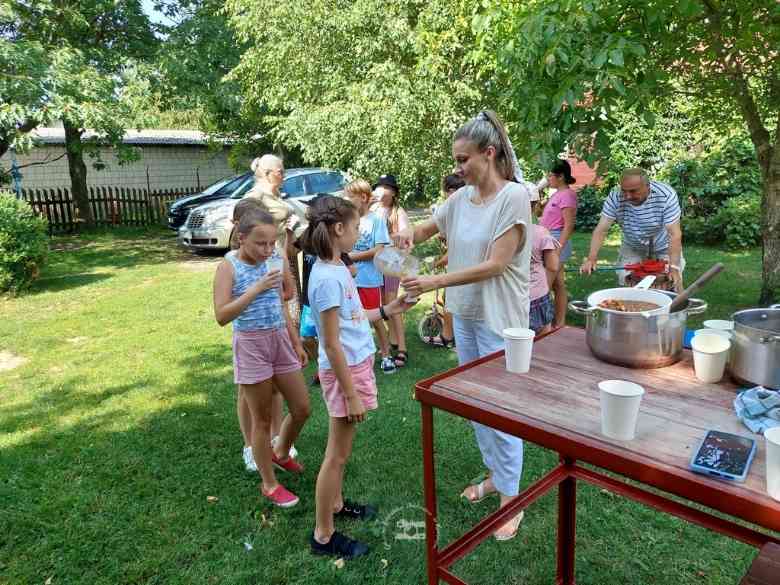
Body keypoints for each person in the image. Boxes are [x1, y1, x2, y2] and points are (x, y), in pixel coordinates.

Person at [396, 110, 532, 541]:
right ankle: (498, 476)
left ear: (488, 154)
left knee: (501, 409)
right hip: (467, 316)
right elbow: (422, 231)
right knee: (477, 406)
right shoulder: (459, 200)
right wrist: (405, 235)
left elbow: (495, 264)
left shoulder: (513, 197)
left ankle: (512, 499)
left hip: (499, 319)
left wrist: (433, 279)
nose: (457, 168)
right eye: (455, 161)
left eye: (462, 160)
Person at [302, 195, 416, 559]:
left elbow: (352, 319)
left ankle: (335, 504)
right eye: (354, 228)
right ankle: (323, 535)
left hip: (353, 366)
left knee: (342, 453)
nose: (357, 234)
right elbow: (332, 345)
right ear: (338, 230)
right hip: (344, 372)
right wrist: (350, 395)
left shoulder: (337, 268)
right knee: (336, 456)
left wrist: (388, 308)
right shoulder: (327, 279)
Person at [213, 209, 311, 508]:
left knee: (302, 408)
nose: (268, 250)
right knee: (263, 419)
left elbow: (281, 306)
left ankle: (280, 452)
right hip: (251, 344)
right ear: (241, 238)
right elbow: (221, 315)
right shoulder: (228, 266)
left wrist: (296, 342)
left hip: (279, 340)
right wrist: (255, 289)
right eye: (260, 243)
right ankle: (269, 484)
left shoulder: (272, 261)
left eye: (271, 243)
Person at [230, 199, 299, 472]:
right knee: (247, 393)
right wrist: (257, 293)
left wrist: (275, 295)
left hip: (275, 329)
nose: (266, 246)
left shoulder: (274, 253)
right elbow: (226, 309)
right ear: (240, 229)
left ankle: (275, 439)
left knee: (276, 388)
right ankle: (250, 445)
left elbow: (289, 291)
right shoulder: (234, 261)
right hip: (250, 334)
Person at [580, 168, 684, 291]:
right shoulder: (615, 196)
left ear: (647, 186)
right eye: (624, 191)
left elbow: (674, 234)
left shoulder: (666, 195)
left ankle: (679, 309)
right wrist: (591, 258)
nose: (628, 196)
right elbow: (601, 229)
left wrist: (674, 267)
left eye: (633, 191)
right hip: (632, 246)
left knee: (674, 285)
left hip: (664, 246)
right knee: (627, 285)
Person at [343, 179, 396, 375]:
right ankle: (358, 355)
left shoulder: (376, 220)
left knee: (375, 318)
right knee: (352, 317)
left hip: (369, 279)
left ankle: (386, 355)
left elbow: (379, 249)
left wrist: (350, 257)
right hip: (350, 280)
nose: (346, 201)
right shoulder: (348, 221)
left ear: (363, 198)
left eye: (350, 197)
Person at [371, 174, 412, 368]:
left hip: (391, 263)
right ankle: (391, 341)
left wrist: (398, 236)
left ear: (394, 192)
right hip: (375, 265)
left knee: (392, 303)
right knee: (382, 304)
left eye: (385, 187)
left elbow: (406, 233)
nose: (380, 190)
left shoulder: (397, 212)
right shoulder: (372, 209)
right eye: (378, 187)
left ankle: (402, 348)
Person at [426, 173, 465, 348]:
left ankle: (448, 336)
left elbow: (457, 249)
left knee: (449, 298)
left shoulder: (461, 210)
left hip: (462, 268)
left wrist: (438, 263)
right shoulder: (457, 210)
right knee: (448, 298)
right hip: (458, 265)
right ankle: (453, 332)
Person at [538, 160, 577, 327]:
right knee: (558, 284)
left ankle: (542, 325)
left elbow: (568, 226)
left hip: (555, 241)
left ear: (560, 176)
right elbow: (541, 213)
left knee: (544, 284)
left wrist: (558, 248)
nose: (548, 178)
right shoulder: (556, 194)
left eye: (550, 175)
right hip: (549, 239)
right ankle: (559, 323)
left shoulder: (568, 195)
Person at [529, 223, 560, 335]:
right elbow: (553, 266)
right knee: (543, 340)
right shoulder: (540, 232)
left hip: (508, 298)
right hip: (536, 297)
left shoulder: (499, 230)